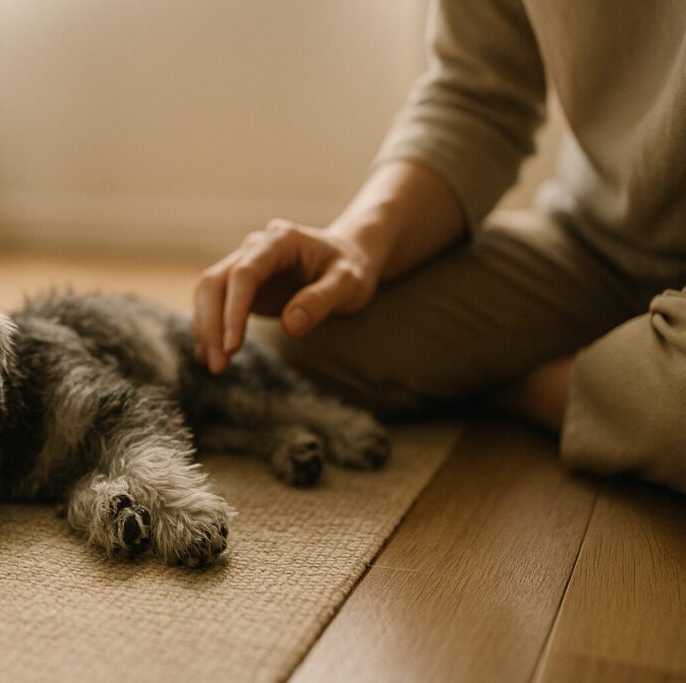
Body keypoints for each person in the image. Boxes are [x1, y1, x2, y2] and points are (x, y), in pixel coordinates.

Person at [191, 1, 686, 493]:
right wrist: (357, 243)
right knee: (294, 337)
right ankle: (622, 373)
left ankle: (524, 385)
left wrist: (516, 382)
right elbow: (477, 95)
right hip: (595, 242)